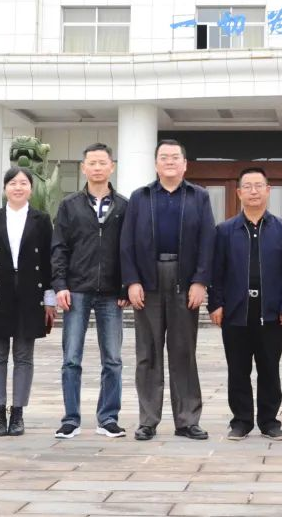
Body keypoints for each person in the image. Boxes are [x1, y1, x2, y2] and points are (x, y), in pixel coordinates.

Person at [120, 139, 215, 441]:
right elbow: (126, 242)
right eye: (164, 157)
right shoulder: (141, 197)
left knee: (183, 351)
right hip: (147, 280)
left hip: (184, 280)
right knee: (147, 353)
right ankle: (148, 420)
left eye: (175, 157)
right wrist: (132, 281)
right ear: (156, 164)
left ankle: (187, 420)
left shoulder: (199, 196)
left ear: (185, 164)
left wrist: (200, 281)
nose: (170, 161)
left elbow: (208, 241)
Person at [210, 167, 282, 441]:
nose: (254, 191)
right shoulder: (225, 230)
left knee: (269, 368)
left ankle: (269, 422)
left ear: (268, 190)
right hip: (236, 310)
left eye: (259, 186)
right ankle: (241, 421)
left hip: (270, 312)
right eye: (247, 186)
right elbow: (216, 271)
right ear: (238, 193)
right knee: (238, 369)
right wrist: (216, 303)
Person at [0, 167, 56, 437]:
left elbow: (48, 262)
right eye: (13, 183)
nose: (18, 187)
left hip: (31, 292)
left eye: (23, 183)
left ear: (31, 188)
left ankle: (18, 412)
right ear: (5, 188)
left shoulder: (42, 219)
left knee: (24, 356)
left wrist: (50, 299)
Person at [52, 143, 129, 439]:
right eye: (92, 163)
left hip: (111, 292)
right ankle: (71, 419)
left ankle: (108, 418)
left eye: (102, 163)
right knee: (71, 358)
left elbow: (129, 249)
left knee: (113, 359)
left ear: (112, 167)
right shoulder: (69, 205)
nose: (97, 168)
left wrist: (125, 285)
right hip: (77, 290)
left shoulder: (124, 206)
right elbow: (59, 248)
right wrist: (60, 285)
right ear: (84, 168)